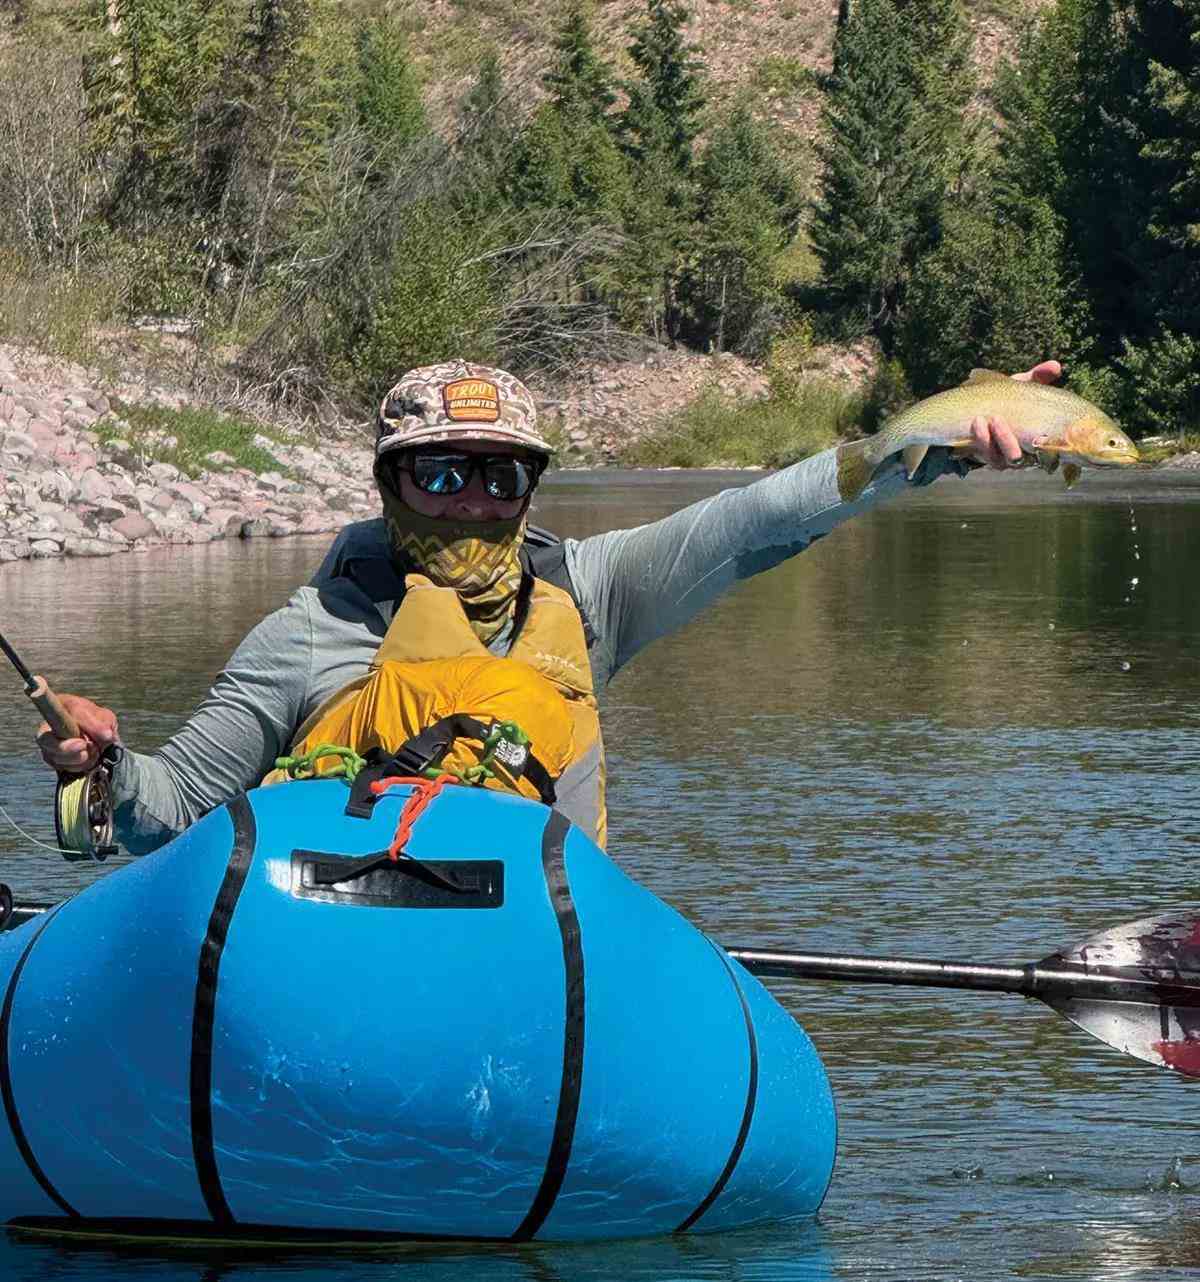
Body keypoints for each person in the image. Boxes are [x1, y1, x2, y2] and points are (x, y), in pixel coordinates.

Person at [37, 358, 1054, 853]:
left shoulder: (591, 591)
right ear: (390, 484)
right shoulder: (305, 636)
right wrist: (108, 762)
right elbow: (168, 808)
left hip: (537, 949)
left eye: (502, 476)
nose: (476, 500)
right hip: (338, 950)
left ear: (530, 487)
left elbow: (758, 520)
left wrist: (924, 443)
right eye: (442, 475)